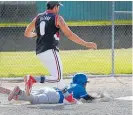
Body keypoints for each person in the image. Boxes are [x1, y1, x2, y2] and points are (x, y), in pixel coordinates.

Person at [24, 1, 97, 104]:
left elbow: (27, 33)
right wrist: (86, 44)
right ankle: (32, 79)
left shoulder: (38, 17)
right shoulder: (58, 18)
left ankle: (69, 99)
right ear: (56, 7)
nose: (59, 9)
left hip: (40, 52)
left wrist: (36, 35)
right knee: (58, 78)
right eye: (58, 7)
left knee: (58, 78)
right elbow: (70, 34)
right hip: (50, 50)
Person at [0, 73, 109, 104]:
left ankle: (8, 91)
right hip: (55, 96)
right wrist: (100, 97)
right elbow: (88, 98)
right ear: (82, 82)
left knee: (30, 94)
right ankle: (18, 91)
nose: (85, 85)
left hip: (49, 90)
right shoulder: (80, 87)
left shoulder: (69, 85)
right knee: (33, 99)